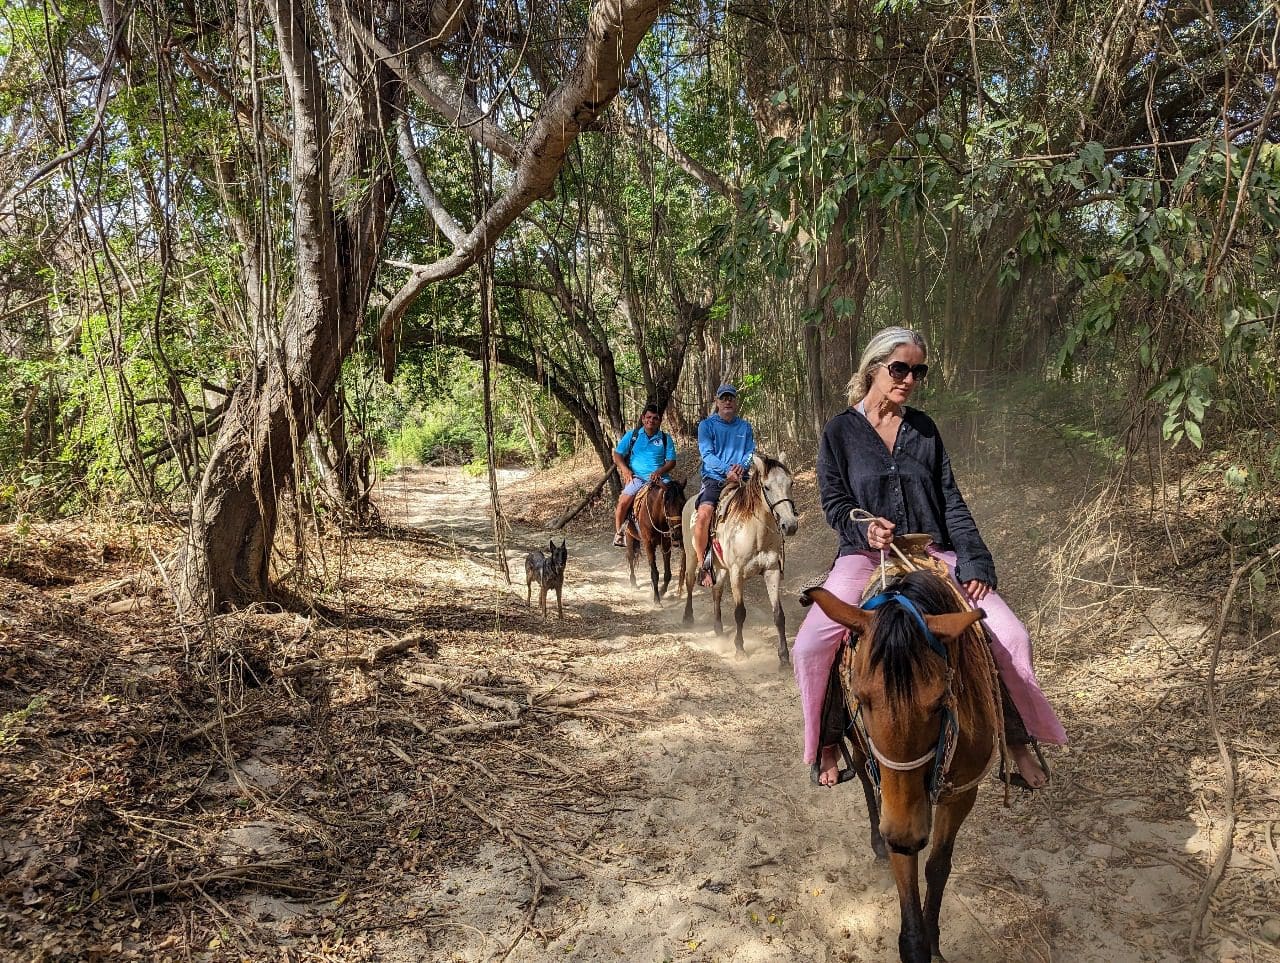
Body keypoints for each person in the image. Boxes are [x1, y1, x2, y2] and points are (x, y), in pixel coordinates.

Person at [792, 326, 1066, 788]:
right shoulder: (839, 432)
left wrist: (975, 561)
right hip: (865, 557)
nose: (909, 379)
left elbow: (951, 500)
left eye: (918, 371)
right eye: (900, 369)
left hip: (933, 553)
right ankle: (828, 740)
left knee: (1012, 637)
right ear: (874, 368)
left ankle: (1016, 740)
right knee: (811, 646)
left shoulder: (924, 430)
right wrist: (865, 528)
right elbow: (834, 503)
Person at [691, 384, 756, 586]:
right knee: (703, 516)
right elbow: (707, 454)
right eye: (723, 398)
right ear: (717, 401)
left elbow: (750, 452)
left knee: (768, 506)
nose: (727, 401)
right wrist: (727, 470)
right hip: (715, 479)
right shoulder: (706, 425)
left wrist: (742, 467)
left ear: (735, 402)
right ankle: (703, 565)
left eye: (731, 398)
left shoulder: (745, 427)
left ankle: (770, 553)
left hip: (742, 478)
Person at [612, 404, 677, 547]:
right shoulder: (632, 435)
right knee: (623, 502)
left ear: (659, 421)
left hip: (661, 478)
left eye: (655, 418)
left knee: (675, 499)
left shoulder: (665, 438)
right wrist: (625, 470)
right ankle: (619, 533)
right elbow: (617, 454)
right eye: (648, 417)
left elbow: (671, 461)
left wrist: (659, 471)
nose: (651, 420)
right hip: (638, 478)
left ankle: (677, 532)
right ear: (643, 418)